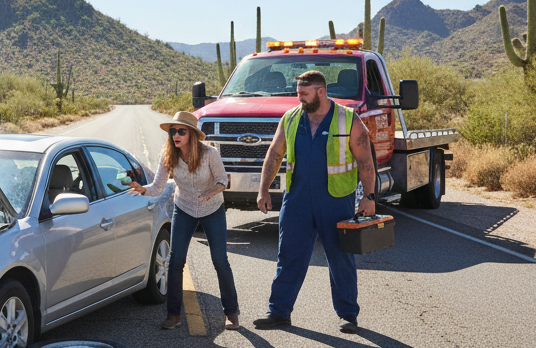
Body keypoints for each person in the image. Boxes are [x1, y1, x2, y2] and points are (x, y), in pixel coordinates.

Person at [253, 69, 376, 334]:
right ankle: (278, 312)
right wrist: (263, 189)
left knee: (340, 257)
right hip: (297, 199)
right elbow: (274, 154)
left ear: (321, 92)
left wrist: (369, 196)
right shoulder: (291, 118)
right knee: (288, 255)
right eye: (297, 94)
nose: (300, 99)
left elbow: (366, 161)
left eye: (304, 94)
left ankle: (348, 315)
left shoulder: (348, 119)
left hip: (335, 199)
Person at [128, 111, 241, 331]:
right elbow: (158, 187)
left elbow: (222, 181)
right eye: (173, 131)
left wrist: (211, 191)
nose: (176, 135)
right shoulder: (168, 154)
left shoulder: (210, 154)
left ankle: (231, 312)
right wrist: (142, 190)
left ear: (192, 134)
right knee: (175, 260)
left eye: (181, 131)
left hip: (212, 208)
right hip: (185, 208)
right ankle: (173, 315)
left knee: (220, 261)